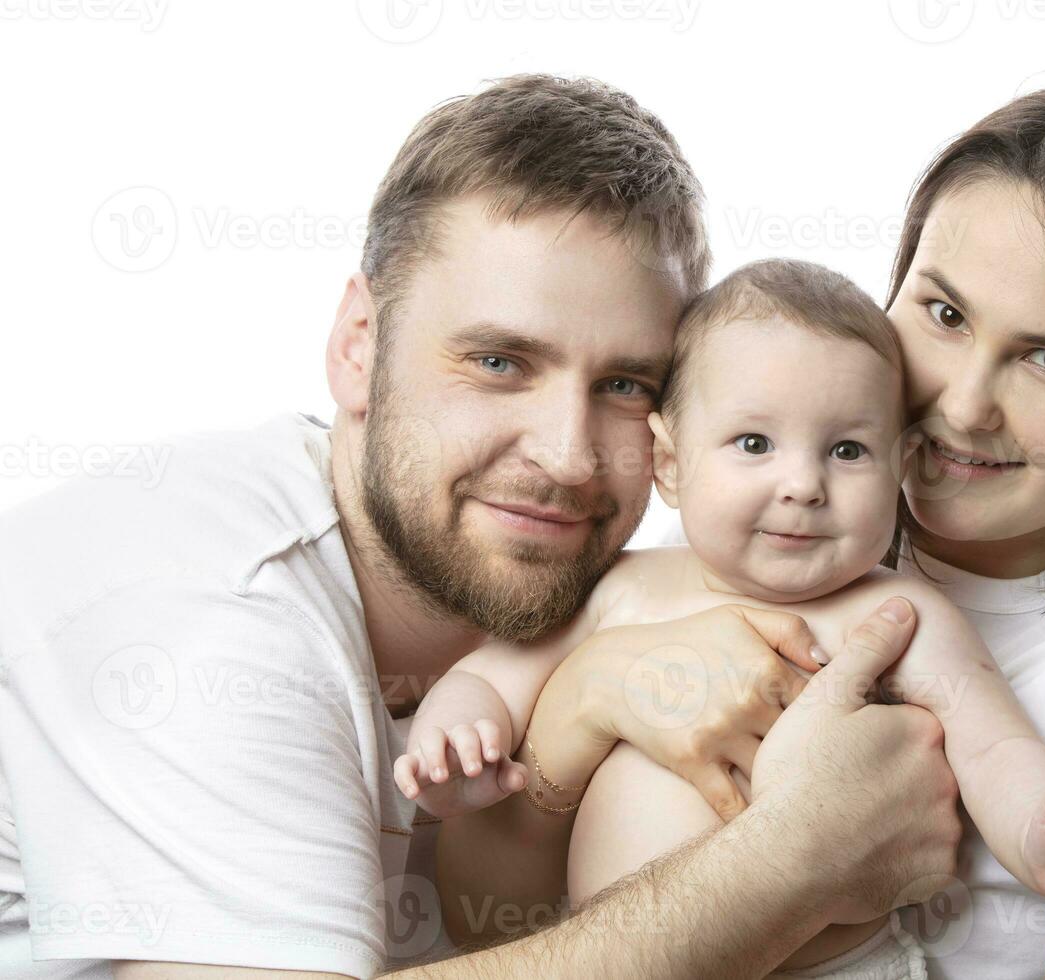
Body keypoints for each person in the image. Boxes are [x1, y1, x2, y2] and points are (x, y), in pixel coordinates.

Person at [0, 75, 962, 980]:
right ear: (356, 348)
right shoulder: (200, 598)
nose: (568, 456)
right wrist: (789, 862)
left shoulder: (624, 604)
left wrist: (582, 703)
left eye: (625, 385)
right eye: (500, 362)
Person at [446, 88, 1045, 979]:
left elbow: (997, 752)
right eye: (945, 314)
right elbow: (495, 932)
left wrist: (1042, 833)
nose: (964, 403)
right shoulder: (731, 543)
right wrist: (587, 696)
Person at [399, 258, 1045, 978]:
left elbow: (993, 746)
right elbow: (492, 679)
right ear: (667, 462)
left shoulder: (898, 614)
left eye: (848, 450)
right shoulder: (621, 590)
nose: (803, 485)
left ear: (903, 463)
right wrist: (456, 738)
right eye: (754, 443)